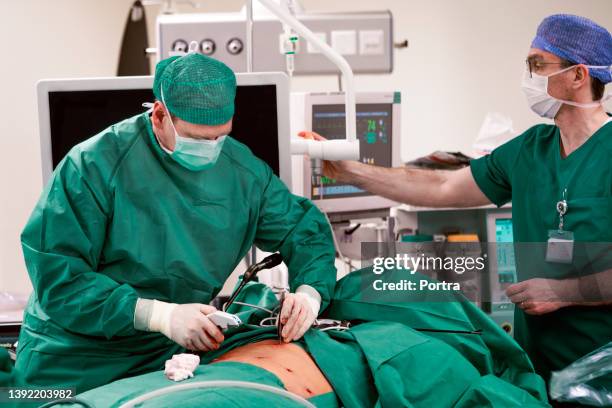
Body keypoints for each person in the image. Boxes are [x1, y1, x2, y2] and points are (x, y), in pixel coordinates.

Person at [300, 14, 612, 384]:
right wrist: (352, 171)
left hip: (599, 372)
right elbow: (443, 188)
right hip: (536, 372)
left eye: (538, 64)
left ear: (578, 75)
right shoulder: (531, 149)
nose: (529, 76)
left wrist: (565, 292)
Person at [15, 50, 336, 393]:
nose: (211, 148)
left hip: (168, 359)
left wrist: (309, 294)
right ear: (158, 116)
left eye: (220, 136)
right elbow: (60, 279)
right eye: (197, 139)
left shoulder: (242, 172)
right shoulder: (93, 166)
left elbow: (305, 231)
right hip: (75, 358)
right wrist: (160, 316)